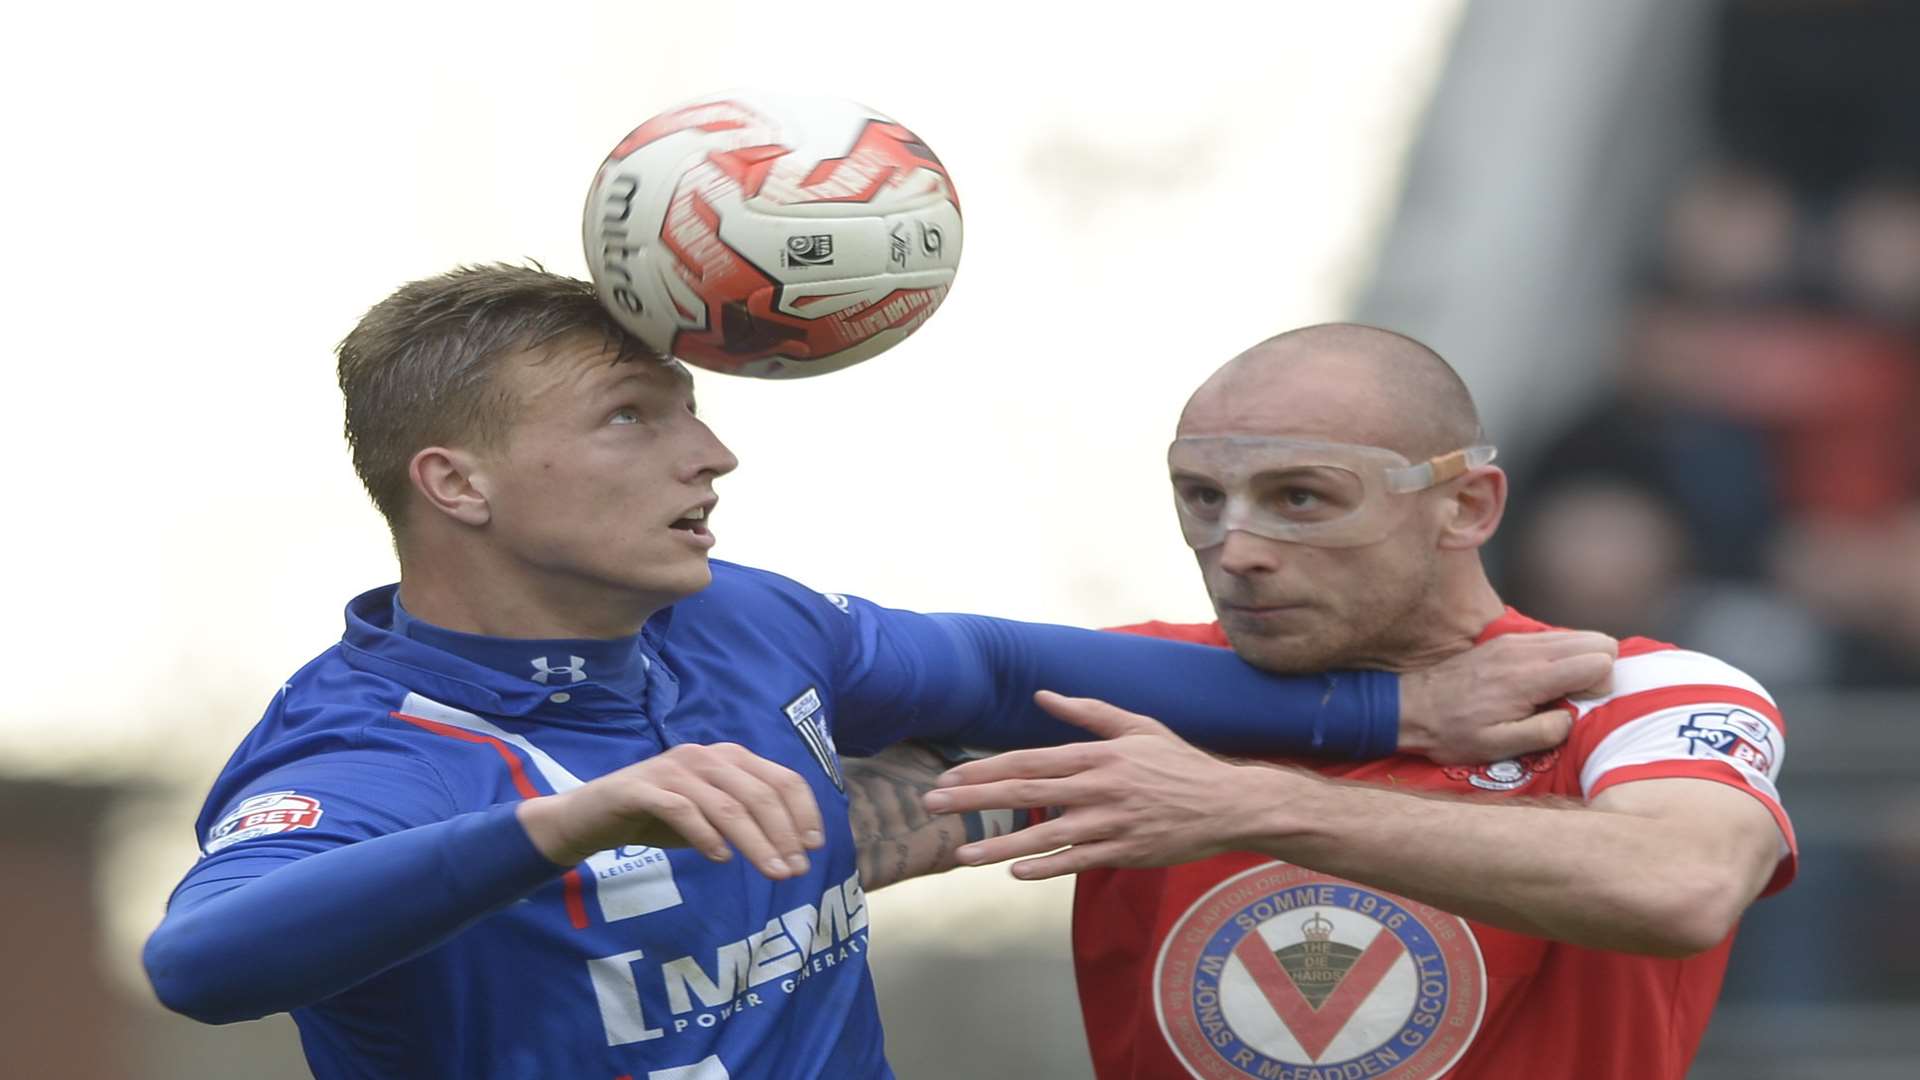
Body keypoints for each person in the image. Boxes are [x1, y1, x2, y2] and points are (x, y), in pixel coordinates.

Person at [140, 269, 1611, 1080]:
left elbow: (990, 666)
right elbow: (202, 966)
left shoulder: (735, 624)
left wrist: (1392, 708)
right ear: (454, 483)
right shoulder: (376, 752)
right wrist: (575, 822)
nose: (709, 455)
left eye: (693, 414)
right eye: (630, 422)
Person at [877, 324, 1794, 1079]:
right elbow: (814, 836)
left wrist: (1246, 803)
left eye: (1302, 498)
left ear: (1467, 506)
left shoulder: (1630, 690)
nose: (1236, 550)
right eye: (1203, 498)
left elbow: (1683, 884)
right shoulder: (1134, 691)